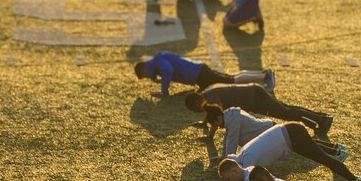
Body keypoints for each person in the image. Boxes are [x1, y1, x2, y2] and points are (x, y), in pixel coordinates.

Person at [216, 111, 361, 181]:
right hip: (290, 134)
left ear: (235, 168)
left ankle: (355, 180)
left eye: (229, 178)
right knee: (322, 157)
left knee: (323, 159)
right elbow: (241, 176)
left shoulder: (247, 158)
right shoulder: (242, 157)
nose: (231, 180)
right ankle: (348, 172)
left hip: (292, 135)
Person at [186, 84, 333, 135]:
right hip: (254, 95)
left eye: (194, 109)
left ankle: (321, 119)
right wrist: (204, 123)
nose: (195, 111)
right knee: (285, 109)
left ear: (197, 100)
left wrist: (210, 135)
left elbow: (218, 116)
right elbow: (211, 112)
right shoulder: (206, 95)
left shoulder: (210, 97)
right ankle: (319, 118)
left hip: (256, 98)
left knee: (286, 113)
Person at [133, 52, 271, 97]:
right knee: (230, 79)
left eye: (145, 75)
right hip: (199, 72)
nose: (147, 77)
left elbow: (168, 71)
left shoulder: (159, 62)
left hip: (200, 75)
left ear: (144, 69)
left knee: (232, 80)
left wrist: (164, 91)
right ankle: (262, 75)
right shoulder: (157, 60)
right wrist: (155, 77)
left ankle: (264, 76)